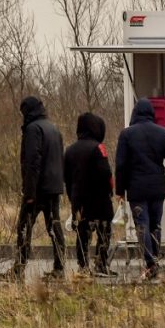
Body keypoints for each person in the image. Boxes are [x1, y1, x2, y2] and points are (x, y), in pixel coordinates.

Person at [0, 96, 65, 282]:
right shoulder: (53, 128)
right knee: (54, 227)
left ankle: (19, 270)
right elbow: (60, 158)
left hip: (38, 189)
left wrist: (29, 193)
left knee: (24, 227)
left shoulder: (33, 129)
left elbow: (32, 162)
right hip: (54, 188)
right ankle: (60, 269)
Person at [115, 98, 165, 281]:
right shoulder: (163, 133)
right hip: (158, 188)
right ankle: (154, 261)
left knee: (142, 226)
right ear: (151, 114)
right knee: (155, 225)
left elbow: (120, 165)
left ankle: (150, 264)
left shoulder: (127, 134)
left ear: (135, 113)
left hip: (136, 189)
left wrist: (120, 190)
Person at [64, 112, 115, 277]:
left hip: (79, 201)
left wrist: (73, 198)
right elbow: (106, 173)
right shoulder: (98, 148)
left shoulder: (70, 150)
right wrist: (110, 191)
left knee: (82, 235)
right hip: (100, 201)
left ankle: (83, 266)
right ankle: (101, 264)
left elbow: (66, 177)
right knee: (103, 233)